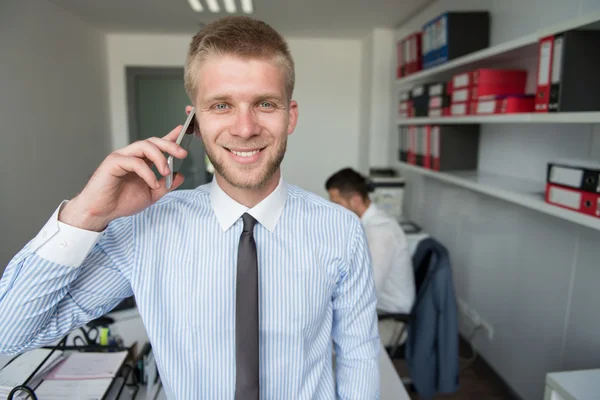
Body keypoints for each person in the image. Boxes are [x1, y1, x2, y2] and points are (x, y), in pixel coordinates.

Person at [0, 17, 380, 399]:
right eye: (221, 105)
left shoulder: (341, 229)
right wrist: (86, 215)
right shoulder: (144, 228)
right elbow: (10, 333)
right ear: (194, 121)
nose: (245, 128)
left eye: (265, 104)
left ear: (290, 116)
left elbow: (358, 355)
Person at [325, 168, 415, 346]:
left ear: (355, 200)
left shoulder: (381, 232)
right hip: (374, 312)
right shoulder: (363, 225)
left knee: (316, 339)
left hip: (388, 320)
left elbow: (367, 291)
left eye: (337, 203)